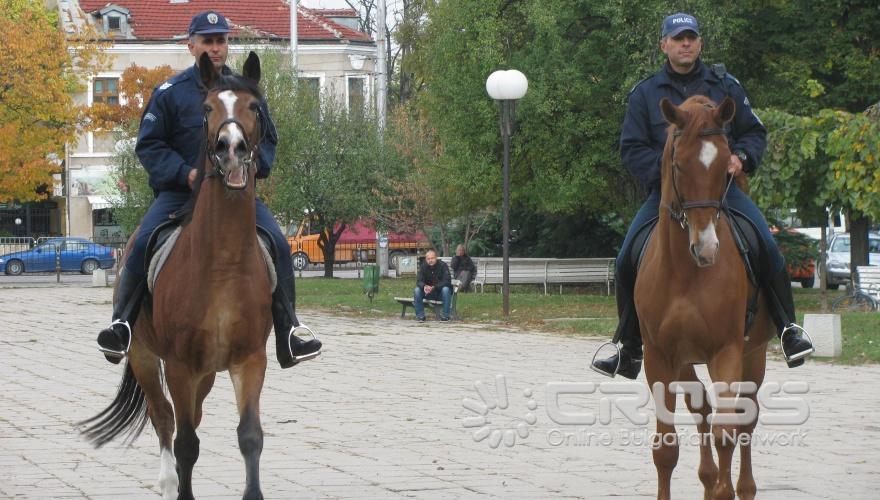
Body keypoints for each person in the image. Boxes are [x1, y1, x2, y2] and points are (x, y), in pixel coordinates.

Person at [591, 13, 813, 379]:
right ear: (664, 44)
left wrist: (741, 158)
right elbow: (631, 147)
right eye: (678, 38)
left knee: (768, 247)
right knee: (626, 257)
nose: (686, 44)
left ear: (700, 43)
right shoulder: (645, 93)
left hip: (721, 193)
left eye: (691, 37)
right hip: (666, 195)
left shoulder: (726, 86)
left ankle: (789, 329)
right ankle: (628, 345)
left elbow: (754, 133)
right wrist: (665, 177)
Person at [96, 11, 321, 368]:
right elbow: (149, 145)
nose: (216, 49)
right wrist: (184, 173)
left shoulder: (244, 91)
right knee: (142, 242)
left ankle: (289, 331)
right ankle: (122, 324)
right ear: (191, 46)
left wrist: (254, 166)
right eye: (208, 41)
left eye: (221, 41)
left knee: (277, 243)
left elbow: (267, 139)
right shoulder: (169, 93)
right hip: (180, 194)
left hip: (235, 195)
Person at [414, 250, 453, 321]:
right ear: (426, 259)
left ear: (436, 258)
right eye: (428, 259)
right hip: (428, 293)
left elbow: (447, 281)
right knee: (417, 290)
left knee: (446, 289)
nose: (430, 260)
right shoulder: (423, 267)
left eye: (432, 258)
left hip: (441, 293)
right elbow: (419, 281)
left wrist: (435, 287)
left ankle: (445, 316)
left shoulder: (443, 265)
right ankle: (420, 316)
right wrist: (424, 286)